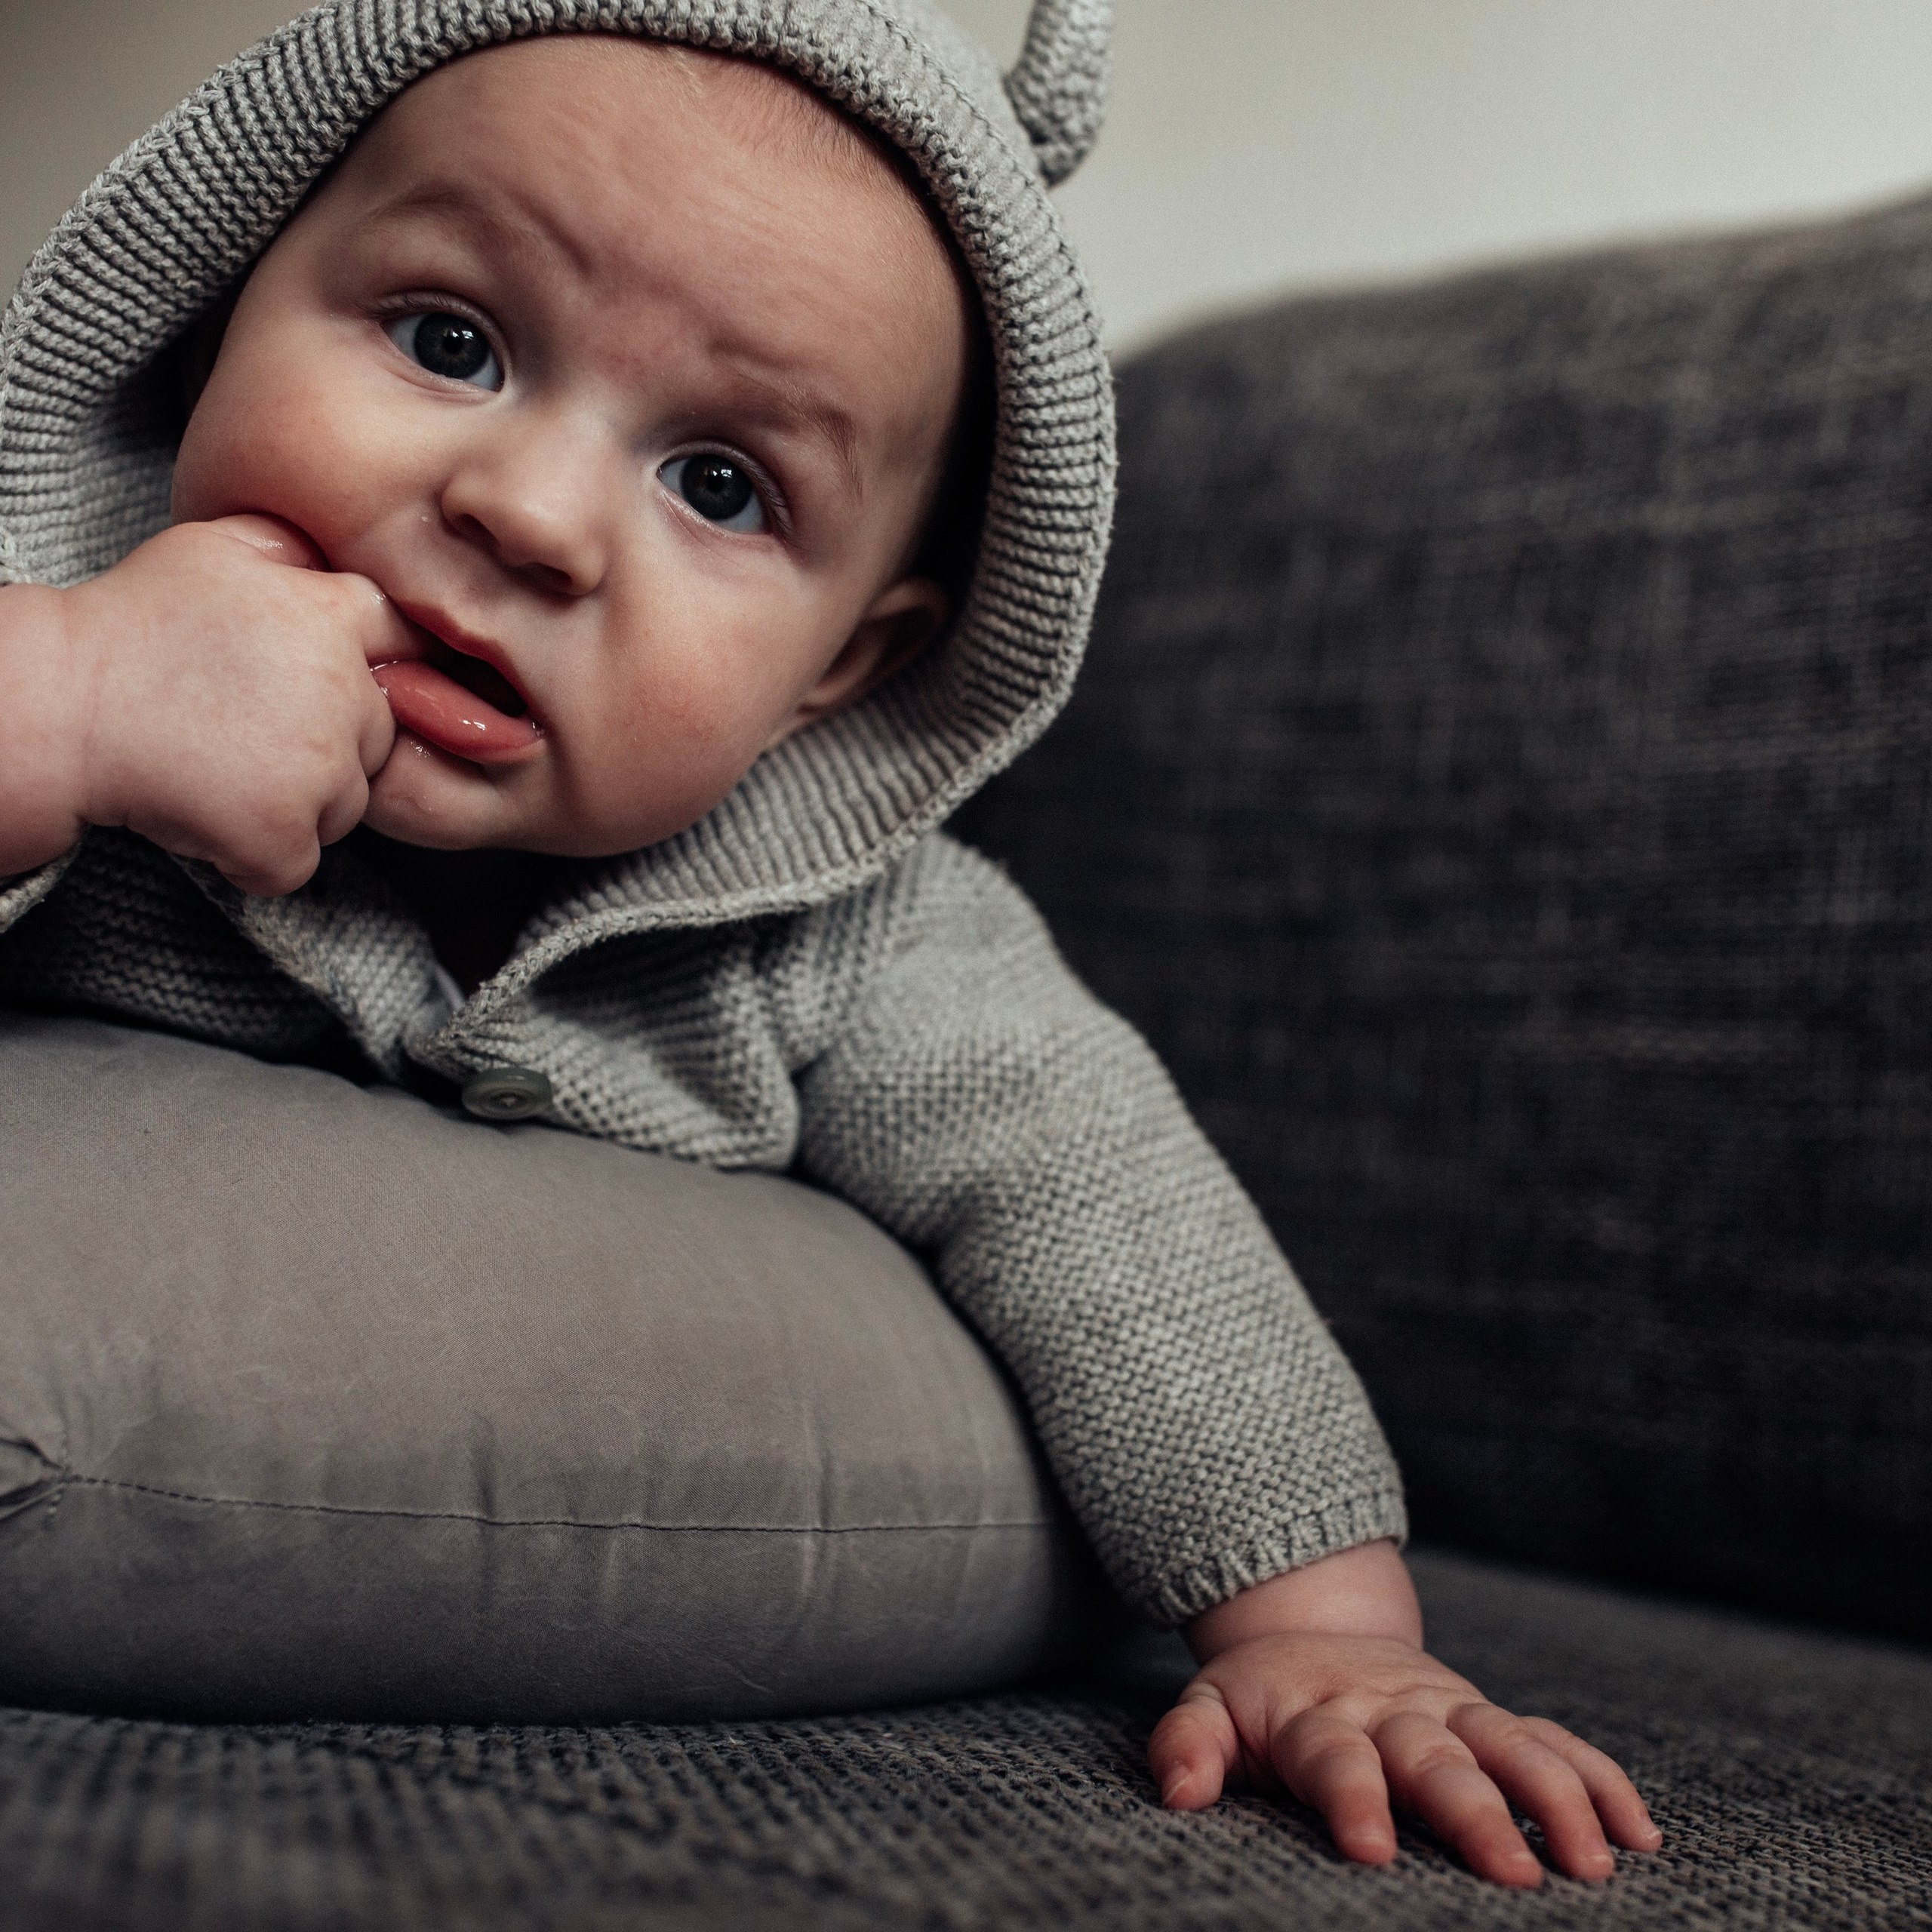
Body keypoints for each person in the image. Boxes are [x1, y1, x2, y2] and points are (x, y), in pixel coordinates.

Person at [0, 1, 1658, 1887]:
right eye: (447, 341)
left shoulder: (856, 935)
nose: (529, 513)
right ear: (223, 307)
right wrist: (62, 706)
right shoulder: (58, 618)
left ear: (838, 670)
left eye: (720, 483)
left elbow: (1108, 1208)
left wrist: (1326, 1637)